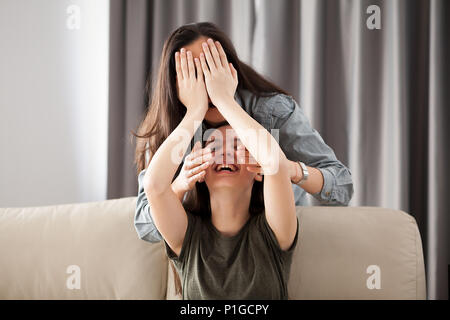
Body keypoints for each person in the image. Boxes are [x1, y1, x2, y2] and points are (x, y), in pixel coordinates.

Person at [131, 22, 354, 295]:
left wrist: (289, 170)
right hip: (197, 235)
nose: (207, 81)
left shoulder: (271, 111)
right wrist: (194, 115)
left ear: (229, 68)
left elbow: (341, 187)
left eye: (213, 67)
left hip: (269, 232)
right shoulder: (170, 127)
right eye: (195, 72)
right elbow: (146, 222)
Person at [142, 36, 298, 298]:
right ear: (199, 174)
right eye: (213, 146)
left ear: (257, 170)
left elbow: (276, 163)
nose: (225, 153)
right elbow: (155, 186)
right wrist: (195, 110)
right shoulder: (188, 237)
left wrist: (225, 99)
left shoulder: (274, 232)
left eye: (238, 145)